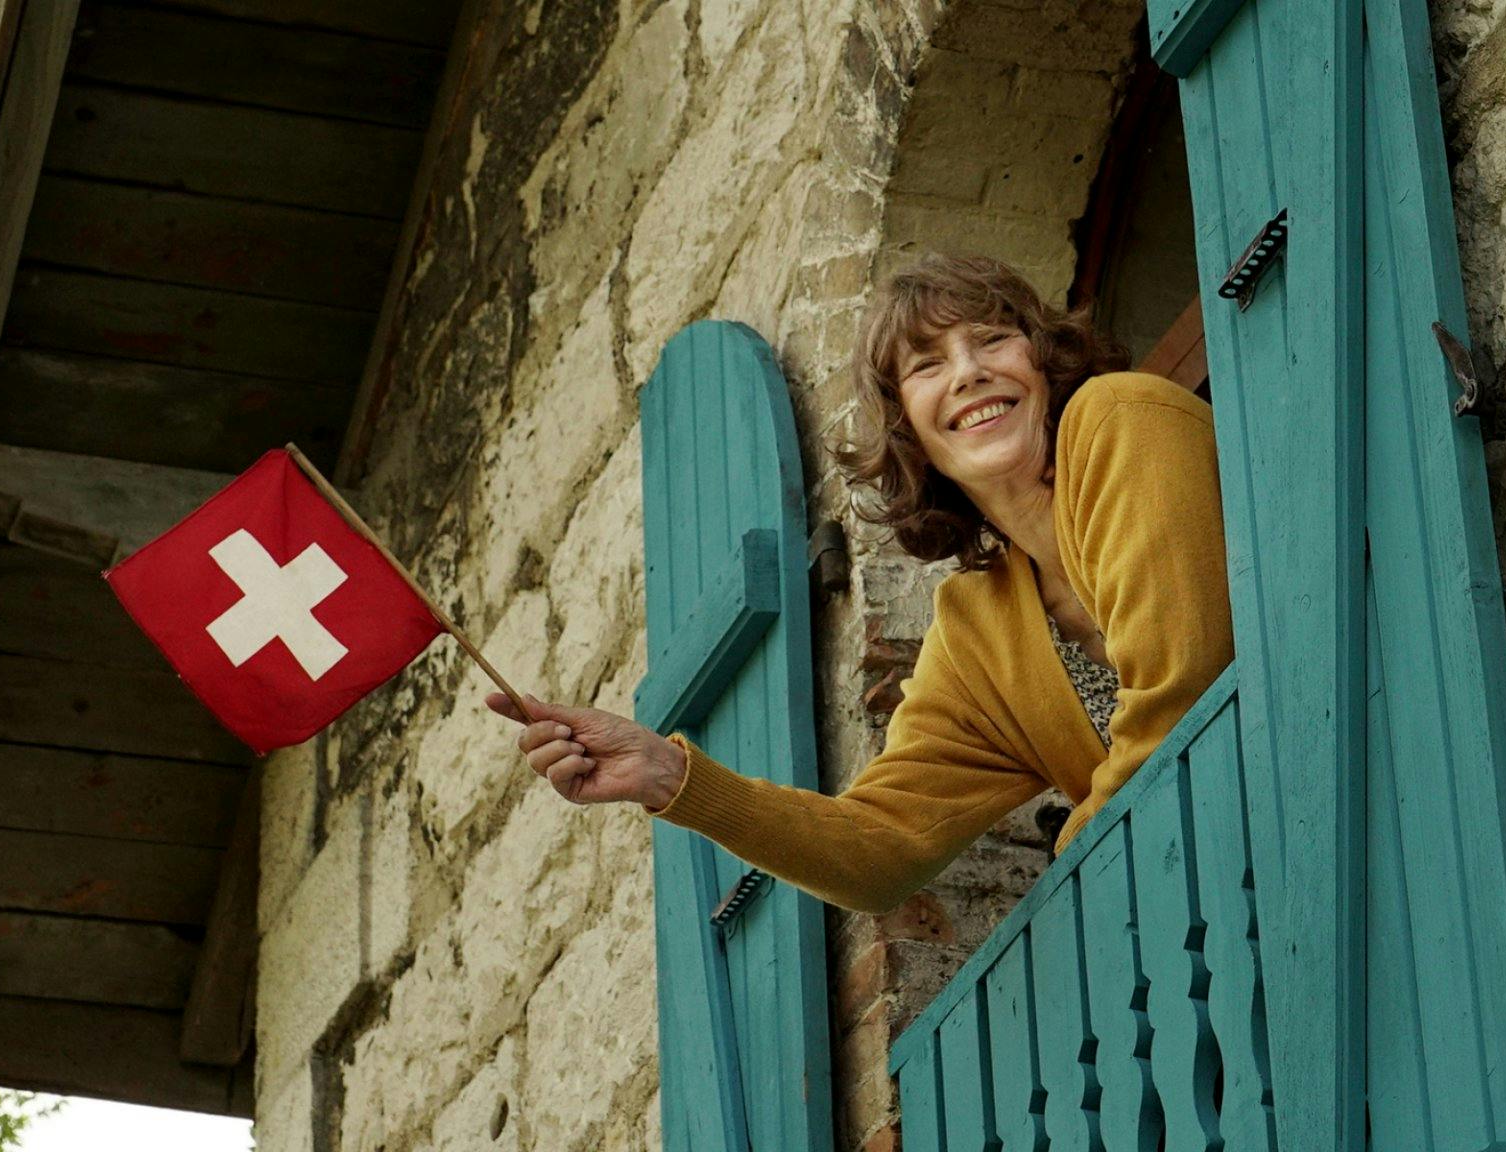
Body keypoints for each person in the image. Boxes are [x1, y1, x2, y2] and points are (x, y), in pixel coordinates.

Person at [484, 254, 1233, 914]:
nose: (968, 370)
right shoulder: (979, 627)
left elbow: (1185, 678)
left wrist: (1079, 848)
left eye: (993, 339)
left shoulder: (1119, 418)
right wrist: (670, 775)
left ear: (1046, 365)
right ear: (908, 427)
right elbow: (882, 851)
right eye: (926, 364)